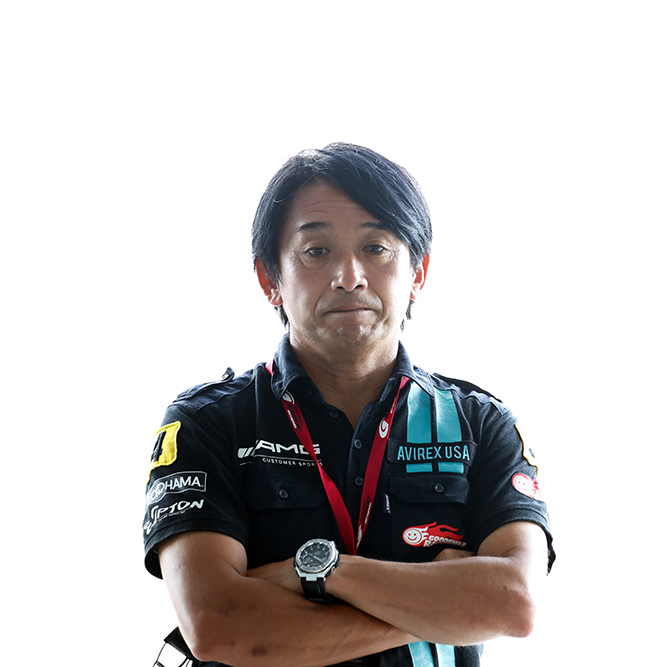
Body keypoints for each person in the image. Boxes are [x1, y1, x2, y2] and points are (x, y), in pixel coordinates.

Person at [142, 143, 554, 667]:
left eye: (376, 247)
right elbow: (217, 623)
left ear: (418, 273)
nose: (349, 276)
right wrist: (446, 603)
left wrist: (315, 570)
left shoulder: (480, 424)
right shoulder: (208, 423)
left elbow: (514, 603)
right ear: (270, 279)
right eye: (316, 251)